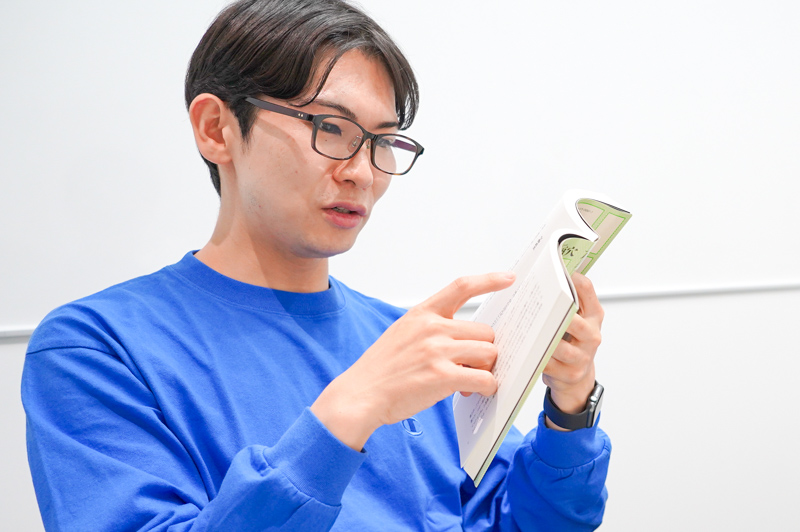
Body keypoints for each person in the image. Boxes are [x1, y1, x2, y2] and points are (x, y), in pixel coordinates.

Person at [22, 1, 611, 530]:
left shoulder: (400, 339)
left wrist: (570, 405)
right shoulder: (96, 348)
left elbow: (530, 522)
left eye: (383, 141)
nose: (362, 172)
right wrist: (350, 410)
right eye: (330, 128)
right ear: (215, 129)